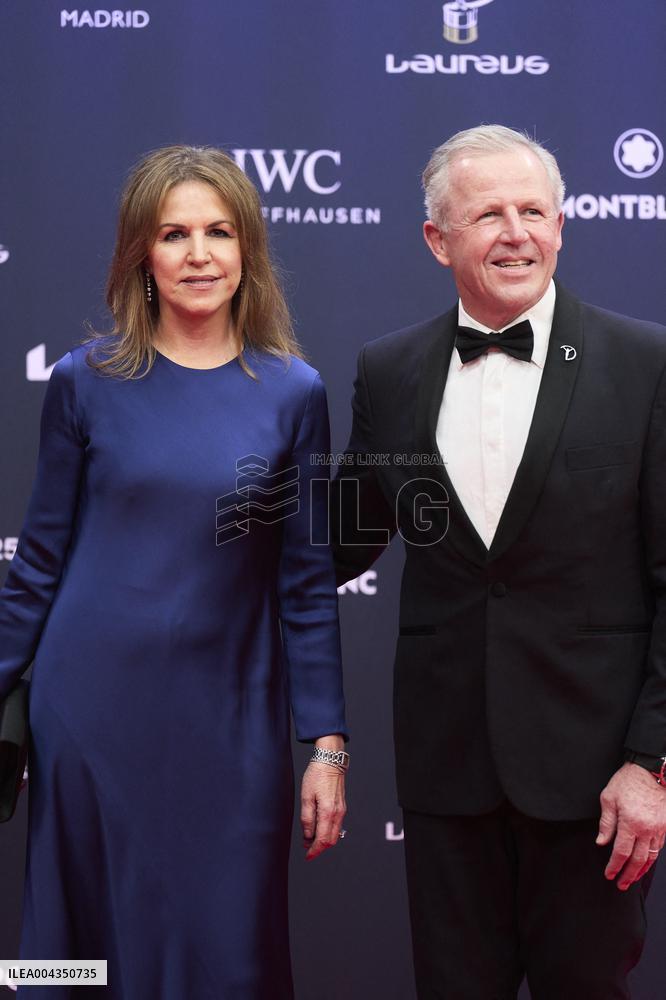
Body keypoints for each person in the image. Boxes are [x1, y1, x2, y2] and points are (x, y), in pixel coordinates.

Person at [0, 145, 348, 1000]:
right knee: (75, 954)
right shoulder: (86, 383)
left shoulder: (293, 392)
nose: (199, 254)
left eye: (219, 232)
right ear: (142, 257)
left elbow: (306, 583)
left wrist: (328, 747)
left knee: (231, 955)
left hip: (229, 724)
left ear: (248, 251)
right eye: (175, 234)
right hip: (89, 715)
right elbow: (39, 559)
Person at [331, 124, 666, 999]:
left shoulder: (648, 364)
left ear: (561, 226)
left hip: (598, 783)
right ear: (438, 239)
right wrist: (196, 504)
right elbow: (341, 541)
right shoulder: (392, 369)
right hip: (450, 775)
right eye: (488, 214)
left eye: (533, 211)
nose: (516, 232)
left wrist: (652, 764)